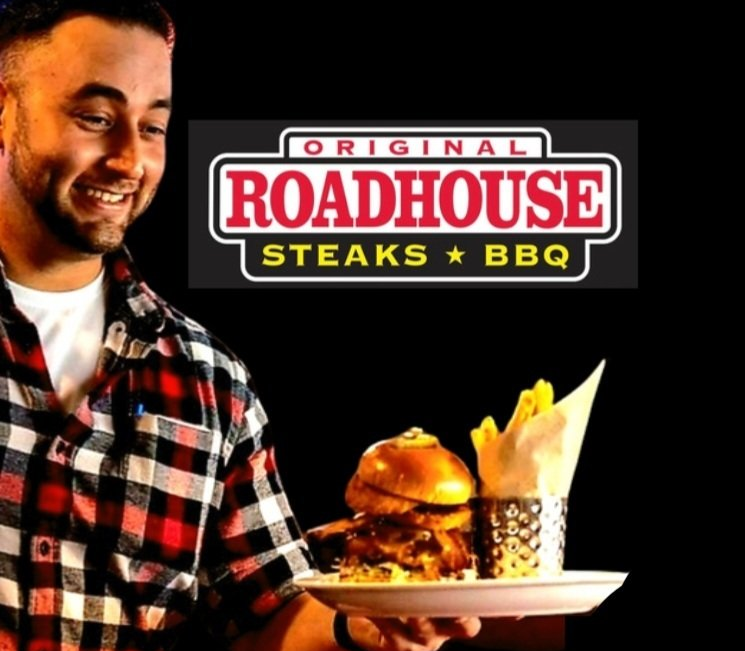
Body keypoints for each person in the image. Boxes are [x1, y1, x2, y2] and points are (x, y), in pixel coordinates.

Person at [0, 2, 561, 649]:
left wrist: (367, 622)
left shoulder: (210, 381)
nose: (130, 160)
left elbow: (264, 607)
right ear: (5, 108)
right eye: (95, 119)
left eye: (152, 127)